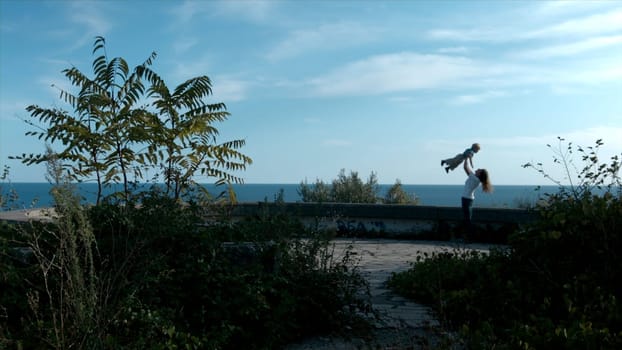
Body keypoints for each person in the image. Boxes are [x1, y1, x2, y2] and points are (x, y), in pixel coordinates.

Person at [461, 158, 492, 239]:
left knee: (467, 220)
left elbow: (465, 168)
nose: (477, 169)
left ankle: (470, 237)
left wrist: (466, 158)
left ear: (479, 174)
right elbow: (467, 168)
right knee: (467, 219)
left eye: (479, 170)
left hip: (466, 200)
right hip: (468, 199)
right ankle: (469, 237)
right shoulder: (475, 179)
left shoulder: (474, 179)